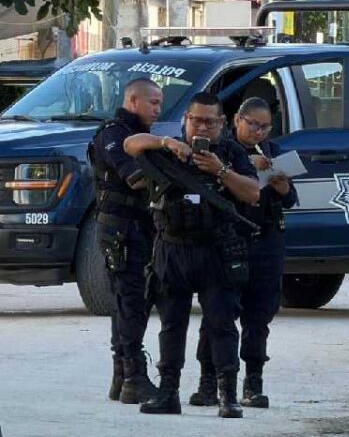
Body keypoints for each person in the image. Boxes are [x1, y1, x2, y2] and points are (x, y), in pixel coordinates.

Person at [124, 92, 260, 418]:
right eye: (196, 120)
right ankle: (168, 393)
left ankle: (228, 396)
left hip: (216, 250)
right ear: (186, 118)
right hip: (172, 248)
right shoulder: (169, 148)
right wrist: (165, 143)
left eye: (210, 122)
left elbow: (253, 193)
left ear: (222, 123)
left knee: (222, 325)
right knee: (172, 325)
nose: (202, 127)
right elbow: (130, 144)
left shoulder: (230, 153)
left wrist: (220, 171)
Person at [190, 97, 297, 408]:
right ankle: (209, 382)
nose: (258, 132)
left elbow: (290, 200)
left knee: (259, 315)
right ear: (237, 120)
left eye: (264, 127)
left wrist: (282, 187)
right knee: (218, 314)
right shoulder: (221, 150)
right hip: (230, 239)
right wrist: (247, 166)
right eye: (252, 125)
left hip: (267, 240)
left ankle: (254, 382)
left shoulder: (273, 152)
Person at [88, 78, 162, 404]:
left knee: (130, 299)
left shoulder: (136, 134)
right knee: (131, 299)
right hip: (121, 228)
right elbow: (134, 178)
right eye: (153, 103)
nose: (158, 110)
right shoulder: (115, 134)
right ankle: (133, 375)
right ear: (133, 101)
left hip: (136, 226)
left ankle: (123, 376)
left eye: (160, 104)